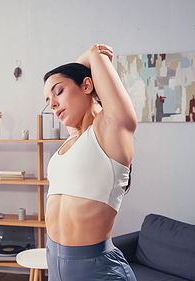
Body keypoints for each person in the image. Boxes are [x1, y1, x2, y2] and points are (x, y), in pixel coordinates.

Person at [43, 44, 138, 281]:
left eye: (58, 91)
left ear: (87, 85)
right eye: (48, 98)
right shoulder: (73, 140)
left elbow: (92, 58)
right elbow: (76, 73)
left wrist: (92, 53)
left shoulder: (111, 129)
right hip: (54, 263)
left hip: (98, 270)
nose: (52, 103)